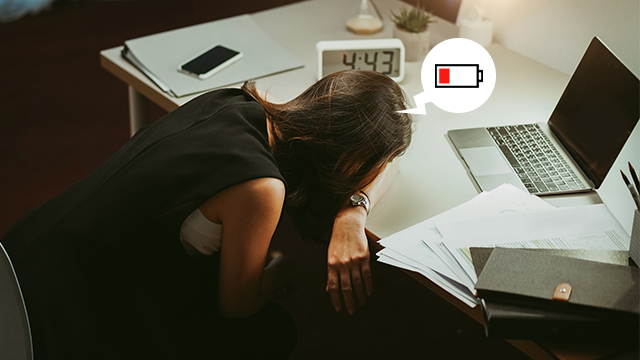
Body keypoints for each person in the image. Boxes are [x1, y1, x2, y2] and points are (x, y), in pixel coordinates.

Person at [1, 69, 413, 359]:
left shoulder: (232, 101)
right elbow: (237, 306)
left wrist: (353, 212)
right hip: (61, 321)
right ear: (350, 163)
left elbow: (387, 164)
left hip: (23, 256)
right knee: (272, 331)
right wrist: (285, 269)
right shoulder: (262, 189)